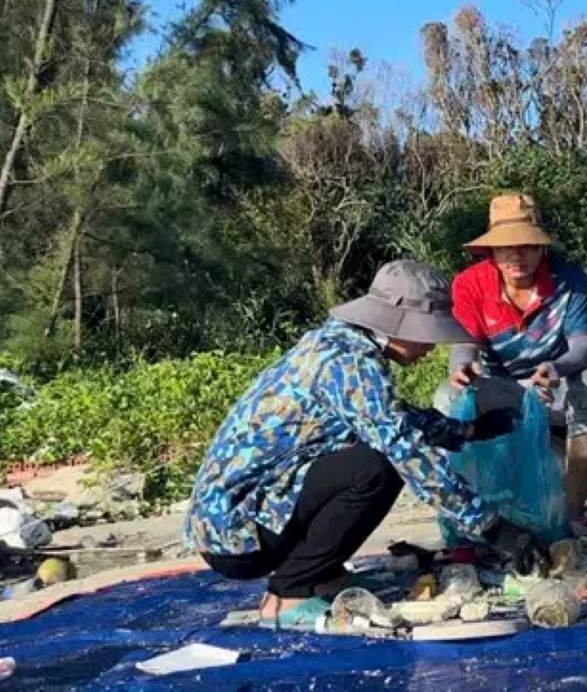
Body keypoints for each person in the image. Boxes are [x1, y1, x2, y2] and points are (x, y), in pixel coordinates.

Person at [184, 261, 546, 629]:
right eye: (428, 336)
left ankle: (322, 576)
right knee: (378, 468)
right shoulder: (350, 363)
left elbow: (392, 417)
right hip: (236, 535)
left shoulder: (340, 343)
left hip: (242, 516)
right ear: (398, 323)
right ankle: (291, 592)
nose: (430, 347)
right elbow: (407, 450)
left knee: (369, 457)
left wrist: (466, 431)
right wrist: (490, 528)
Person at [446, 192, 587, 525]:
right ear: (491, 251)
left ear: (541, 248)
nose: (515, 256)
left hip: (554, 383)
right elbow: (464, 344)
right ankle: (473, 514)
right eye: (504, 248)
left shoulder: (569, 280)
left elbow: (581, 350)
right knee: (447, 399)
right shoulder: (469, 284)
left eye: (525, 246)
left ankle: (570, 513)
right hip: (499, 387)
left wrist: (556, 367)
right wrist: (461, 366)